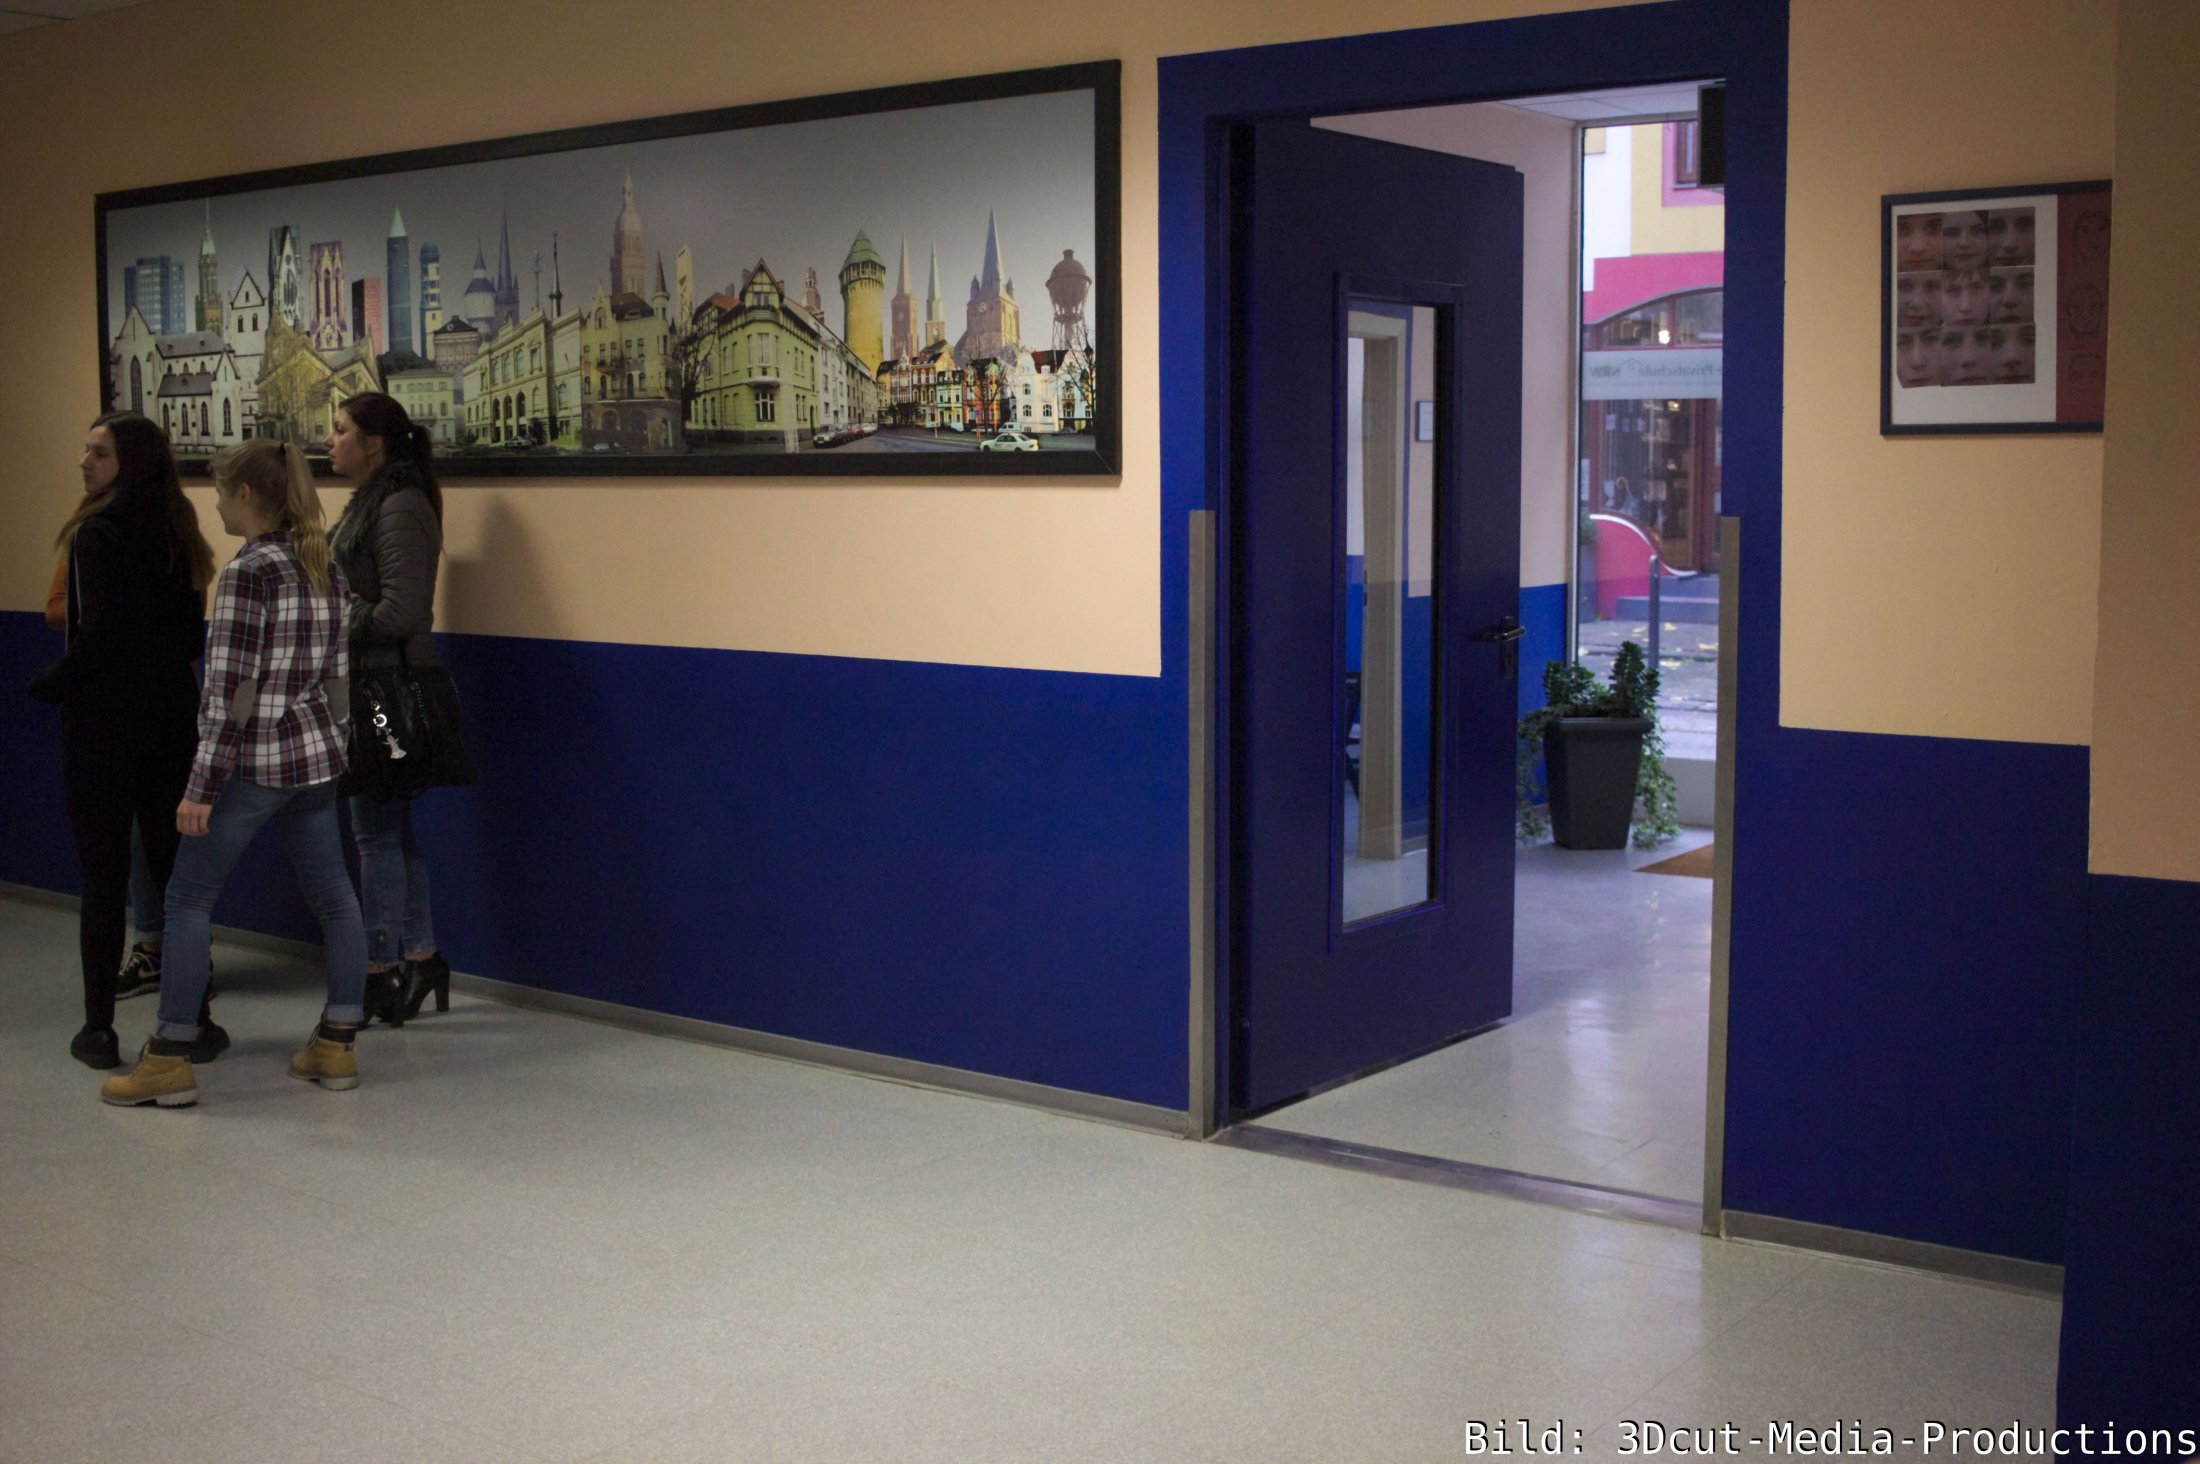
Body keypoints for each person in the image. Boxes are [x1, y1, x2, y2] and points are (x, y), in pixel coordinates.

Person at [101, 439, 368, 1108]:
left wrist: (200, 787)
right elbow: (339, 679)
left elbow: (230, 695)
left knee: (187, 900)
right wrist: (335, 745)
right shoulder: (323, 564)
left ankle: (169, 1055)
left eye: (220, 493)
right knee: (337, 900)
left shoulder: (249, 573)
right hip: (316, 763)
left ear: (245, 494)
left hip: (252, 767)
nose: (216, 505)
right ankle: (337, 1043)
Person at [28, 414, 214, 1070]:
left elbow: (97, 639)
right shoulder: (179, 530)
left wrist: (46, 683)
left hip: (103, 727)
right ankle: (196, 1022)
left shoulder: (96, 533)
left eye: (98, 453)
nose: (84, 462)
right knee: (176, 879)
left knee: (104, 880)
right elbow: (190, 638)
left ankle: (99, 1030)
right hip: (170, 719)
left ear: (128, 462)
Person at [328, 392, 454, 1024]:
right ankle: (421, 956)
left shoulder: (398, 504)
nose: (330, 441)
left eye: (341, 430)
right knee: (390, 831)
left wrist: (333, 616)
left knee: (374, 833)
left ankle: (380, 969)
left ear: (373, 443)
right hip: (371, 684)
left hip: (384, 691)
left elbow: (402, 611)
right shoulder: (377, 499)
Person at [44, 558, 167, 1000]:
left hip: (164, 705)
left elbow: (185, 630)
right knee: (120, 844)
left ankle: (183, 954)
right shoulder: (85, 541)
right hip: (106, 709)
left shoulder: (175, 541)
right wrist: (107, 610)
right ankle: (151, 947)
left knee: (169, 837)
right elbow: (55, 609)